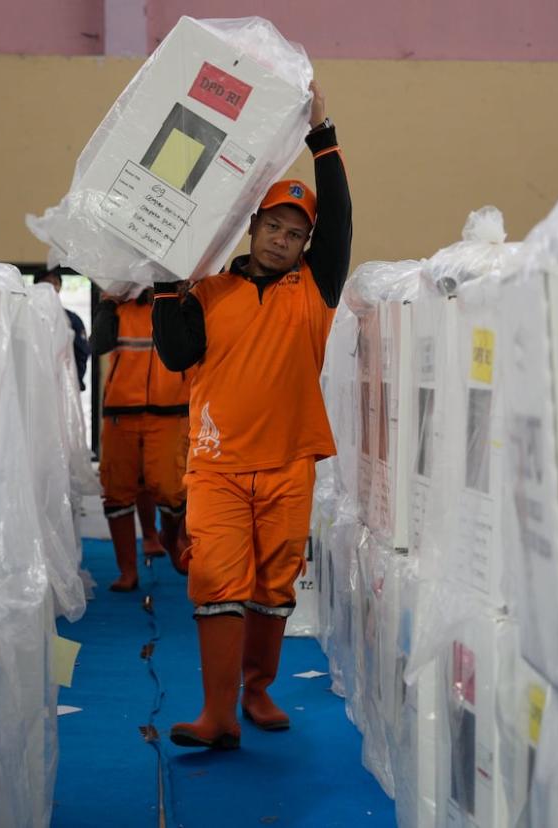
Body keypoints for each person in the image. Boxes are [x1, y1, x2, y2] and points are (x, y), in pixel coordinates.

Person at [151, 80, 350, 749]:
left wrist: (323, 138)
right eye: (274, 227)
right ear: (255, 226)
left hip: (290, 462)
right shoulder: (210, 292)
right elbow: (177, 355)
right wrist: (162, 287)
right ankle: (218, 715)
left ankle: (257, 689)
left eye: (297, 234)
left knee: (274, 585)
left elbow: (340, 220)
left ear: (305, 246)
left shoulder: (313, 291)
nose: (283, 240)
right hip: (218, 469)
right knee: (215, 582)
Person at [91, 287, 192, 591]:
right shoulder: (118, 304)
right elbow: (99, 345)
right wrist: (107, 303)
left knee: (172, 488)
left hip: (171, 411)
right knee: (117, 489)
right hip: (121, 412)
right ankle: (127, 571)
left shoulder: (183, 301)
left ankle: (170, 536)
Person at [35, 265, 90, 391]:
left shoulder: (71, 319)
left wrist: (76, 381)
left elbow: (82, 352)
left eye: (56, 283)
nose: (52, 287)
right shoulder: (27, 315)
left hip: (65, 385)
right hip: (36, 383)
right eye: (47, 283)